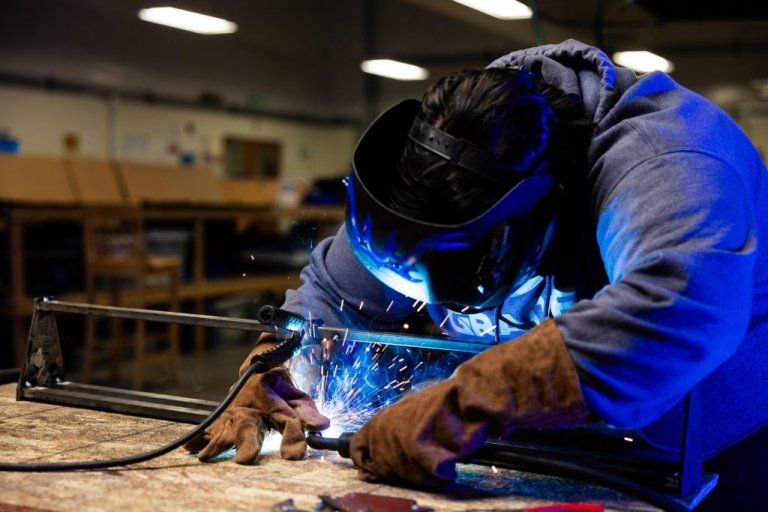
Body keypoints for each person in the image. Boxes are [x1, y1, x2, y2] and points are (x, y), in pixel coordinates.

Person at [185, 40, 768, 509]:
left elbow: (680, 306)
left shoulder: (666, 160)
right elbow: (335, 292)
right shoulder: (450, 157)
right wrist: (275, 363)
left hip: (712, 439)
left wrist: (472, 398)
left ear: (545, 208)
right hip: (556, 441)